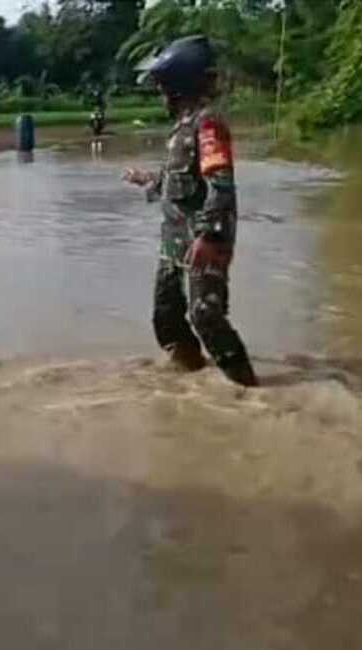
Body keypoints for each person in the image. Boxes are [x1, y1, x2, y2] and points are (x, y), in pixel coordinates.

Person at [123, 35, 258, 387]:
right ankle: (189, 380)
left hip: (202, 238)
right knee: (166, 315)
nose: (159, 93)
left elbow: (220, 184)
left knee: (205, 315)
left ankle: (248, 390)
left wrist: (210, 236)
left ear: (178, 86)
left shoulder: (208, 125)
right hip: (174, 239)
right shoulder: (182, 128)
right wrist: (149, 181)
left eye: (163, 86)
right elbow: (181, 182)